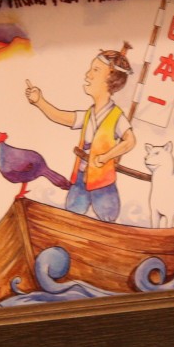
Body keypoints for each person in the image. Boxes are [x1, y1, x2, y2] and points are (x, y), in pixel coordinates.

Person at [25, 44, 136, 222]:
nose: (88, 75)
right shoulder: (87, 115)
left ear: (111, 78)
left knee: (108, 218)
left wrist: (107, 156)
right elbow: (59, 116)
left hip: (103, 182)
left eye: (95, 70)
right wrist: (39, 101)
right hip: (80, 179)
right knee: (72, 214)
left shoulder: (117, 117)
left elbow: (130, 141)